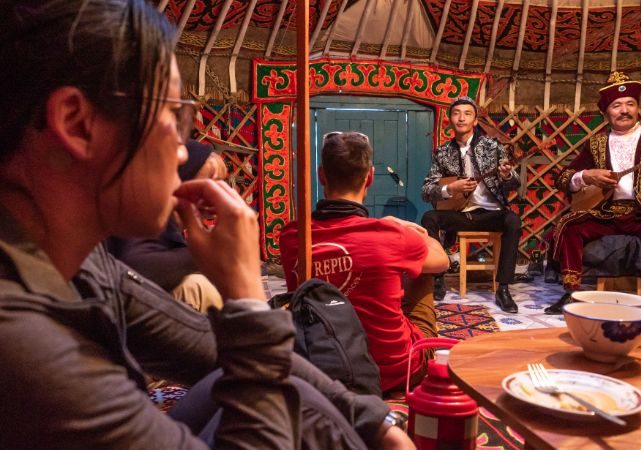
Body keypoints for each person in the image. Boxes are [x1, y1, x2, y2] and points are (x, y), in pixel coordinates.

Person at [0, 1, 411, 448]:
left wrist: (377, 421)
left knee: (287, 391)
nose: (183, 152)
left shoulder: (83, 263)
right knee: (294, 408)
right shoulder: (22, 345)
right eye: (175, 117)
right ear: (78, 124)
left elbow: (205, 343)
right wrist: (249, 296)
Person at [279, 131, 449, 393]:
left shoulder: (292, 236)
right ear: (369, 176)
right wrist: (395, 225)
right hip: (395, 371)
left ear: (321, 175)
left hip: (322, 371)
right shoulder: (390, 235)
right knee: (421, 269)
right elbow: (442, 261)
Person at [545, 72, 641, 322]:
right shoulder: (596, 144)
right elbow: (563, 178)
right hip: (605, 212)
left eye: (630, 104)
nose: (624, 110)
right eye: (617, 105)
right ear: (607, 112)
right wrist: (587, 175)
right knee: (568, 224)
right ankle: (570, 293)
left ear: (638, 108)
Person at [420, 97, 522, 313]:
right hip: (460, 214)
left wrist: (506, 176)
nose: (461, 117)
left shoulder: (492, 146)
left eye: (467, 113)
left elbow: (515, 182)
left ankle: (503, 288)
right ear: (450, 119)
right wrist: (451, 189)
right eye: (456, 113)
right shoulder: (443, 152)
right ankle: (438, 279)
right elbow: (426, 191)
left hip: (491, 213)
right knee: (429, 217)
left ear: (475, 120)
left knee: (512, 220)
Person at [107, 140, 227, 313]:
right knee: (198, 287)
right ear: (181, 180)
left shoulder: (174, 222)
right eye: (210, 183)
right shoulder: (144, 210)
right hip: (113, 306)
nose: (218, 194)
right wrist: (207, 252)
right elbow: (137, 268)